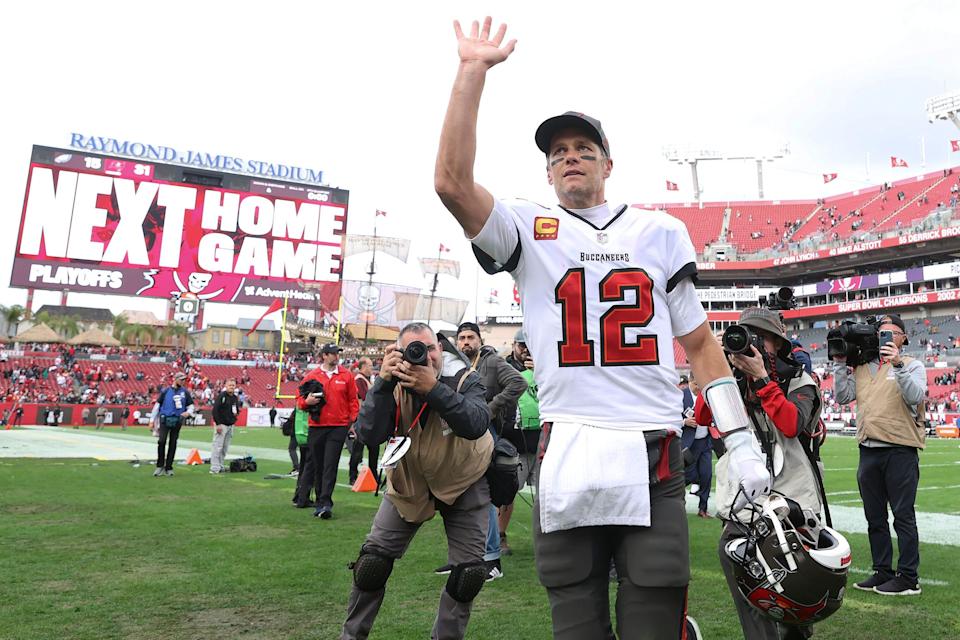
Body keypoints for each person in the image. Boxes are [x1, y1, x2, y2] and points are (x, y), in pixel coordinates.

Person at [434, 16, 765, 637]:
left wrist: (740, 442)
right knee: (576, 626)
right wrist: (471, 71)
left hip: (653, 451)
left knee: (652, 621)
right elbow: (451, 184)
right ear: (548, 173)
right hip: (570, 451)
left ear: (608, 164)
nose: (570, 158)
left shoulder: (659, 230)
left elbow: (698, 343)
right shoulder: (529, 228)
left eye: (583, 149)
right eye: (558, 153)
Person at [341, 323, 493, 640]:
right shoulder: (392, 381)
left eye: (430, 347)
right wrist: (382, 384)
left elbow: (476, 423)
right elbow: (369, 434)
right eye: (413, 348)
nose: (423, 355)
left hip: (464, 477)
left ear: (441, 349)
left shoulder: (464, 377)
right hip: (410, 479)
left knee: (469, 574)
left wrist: (433, 389)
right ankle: (351, 636)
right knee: (372, 564)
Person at [696, 308, 824, 639]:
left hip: (792, 499)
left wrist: (763, 380)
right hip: (745, 502)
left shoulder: (800, 380)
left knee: (796, 590)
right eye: (746, 335)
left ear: (778, 346)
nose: (752, 344)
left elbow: (791, 423)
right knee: (746, 585)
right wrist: (719, 368)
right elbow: (701, 415)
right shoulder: (731, 382)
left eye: (760, 338)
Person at [833, 313, 926, 596]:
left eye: (889, 332)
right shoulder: (862, 368)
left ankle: (909, 577)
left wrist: (897, 363)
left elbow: (915, 396)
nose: (883, 336)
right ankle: (883, 570)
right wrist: (839, 364)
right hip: (868, 449)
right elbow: (842, 396)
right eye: (879, 332)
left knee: (903, 516)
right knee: (874, 517)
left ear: (903, 336)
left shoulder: (913, 364)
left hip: (900, 450)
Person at [454, 320, 525, 573]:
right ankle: (463, 559)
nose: (466, 342)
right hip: (458, 434)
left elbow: (518, 383)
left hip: (485, 432)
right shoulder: (454, 364)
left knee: (483, 494)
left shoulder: (492, 361)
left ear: (479, 340)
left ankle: (492, 560)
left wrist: (491, 407)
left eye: (470, 337)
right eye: (461, 338)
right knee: (461, 496)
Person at [298, 344, 359, 519]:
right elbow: (300, 400)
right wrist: (306, 402)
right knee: (318, 465)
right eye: (332, 354)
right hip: (317, 426)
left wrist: (353, 421)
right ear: (324, 356)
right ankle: (320, 501)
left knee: (330, 465)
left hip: (338, 426)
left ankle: (325, 503)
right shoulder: (312, 376)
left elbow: (352, 400)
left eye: (337, 354)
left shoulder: (346, 376)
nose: (336, 356)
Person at [499, 328, 541, 553]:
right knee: (507, 493)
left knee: (545, 494)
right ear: (514, 345)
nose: (525, 350)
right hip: (515, 442)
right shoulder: (504, 368)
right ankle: (500, 536)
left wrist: (542, 373)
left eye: (529, 345)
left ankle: (546, 538)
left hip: (542, 440)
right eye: (522, 345)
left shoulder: (544, 366)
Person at [150, 373, 195, 477]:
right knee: (161, 441)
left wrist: (188, 412)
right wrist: (152, 420)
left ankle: (169, 467)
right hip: (165, 419)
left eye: (184, 380)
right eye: (181, 379)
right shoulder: (165, 391)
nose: (183, 382)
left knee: (173, 443)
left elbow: (191, 406)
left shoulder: (185, 392)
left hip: (177, 420)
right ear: (176, 379)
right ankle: (160, 465)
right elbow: (157, 406)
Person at [683, 374, 714, 518]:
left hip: (705, 442)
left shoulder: (707, 395)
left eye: (700, 385)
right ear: (690, 381)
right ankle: (677, 501)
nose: (698, 388)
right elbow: (668, 416)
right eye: (696, 385)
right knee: (689, 475)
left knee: (706, 475)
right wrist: (684, 422)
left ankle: (703, 509)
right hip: (689, 444)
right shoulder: (680, 396)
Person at [348, 357, 377, 485]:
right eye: (370, 366)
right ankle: (353, 476)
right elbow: (367, 398)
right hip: (363, 420)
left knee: (371, 450)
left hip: (368, 420)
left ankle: (372, 476)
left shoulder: (364, 379)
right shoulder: (359, 380)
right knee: (359, 450)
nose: (372, 369)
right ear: (364, 367)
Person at [210, 378, 243, 474]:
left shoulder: (234, 398)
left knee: (225, 448)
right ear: (226, 386)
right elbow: (215, 410)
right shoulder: (222, 396)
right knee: (217, 446)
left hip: (230, 425)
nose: (231, 387)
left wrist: (235, 415)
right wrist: (218, 424)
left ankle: (220, 465)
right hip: (222, 424)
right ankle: (214, 468)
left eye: (233, 385)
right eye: (230, 385)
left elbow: (236, 410)